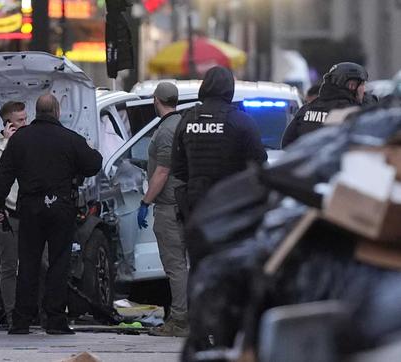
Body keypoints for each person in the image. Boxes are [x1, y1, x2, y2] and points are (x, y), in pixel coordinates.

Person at [0, 94, 102, 335]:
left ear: (37, 112)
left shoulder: (20, 139)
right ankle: (55, 320)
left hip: (30, 209)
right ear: (57, 112)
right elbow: (94, 163)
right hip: (61, 208)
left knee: (28, 264)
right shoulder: (70, 139)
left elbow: (4, 174)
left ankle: (21, 320)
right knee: (58, 263)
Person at [171, 66, 267, 266]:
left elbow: (177, 168)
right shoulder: (241, 120)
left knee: (198, 264)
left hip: (195, 206)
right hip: (230, 204)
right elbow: (259, 163)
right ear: (229, 88)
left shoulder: (187, 119)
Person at [137, 82, 189, 337]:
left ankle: (179, 320)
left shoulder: (167, 130)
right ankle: (186, 316)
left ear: (156, 100)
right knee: (184, 265)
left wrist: (145, 202)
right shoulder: (182, 123)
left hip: (169, 205)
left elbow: (163, 170)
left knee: (175, 265)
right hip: (184, 203)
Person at [0, 101, 27, 328]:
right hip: (6, 214)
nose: (24, 123)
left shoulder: (30, 141)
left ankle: (35, 312)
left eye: (25, 119)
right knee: (9, 265)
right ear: (8, 123)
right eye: (20, 120)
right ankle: (12, 316)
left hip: (29, 213)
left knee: (42, 263)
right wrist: (7, 143)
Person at [281, 62, 368, 148]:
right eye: (363, 84)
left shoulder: (306, 110)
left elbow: (286, 144)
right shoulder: (352, 114)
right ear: (352, 85)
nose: (364, 90)